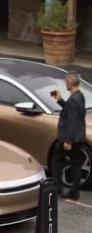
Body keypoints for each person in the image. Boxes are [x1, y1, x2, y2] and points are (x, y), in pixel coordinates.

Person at [51, 72, 87, 200]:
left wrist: (68, 141)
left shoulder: (73, 100)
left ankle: (57, 189)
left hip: (69, 138)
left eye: (66, 82)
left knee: (56, 161)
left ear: (69, 83)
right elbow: (73, 112)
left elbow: (72, 121)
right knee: (76, 164)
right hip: (79, 137)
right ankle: (74, 192)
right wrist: (60, 100)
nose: (65, 83)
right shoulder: (80, 96)